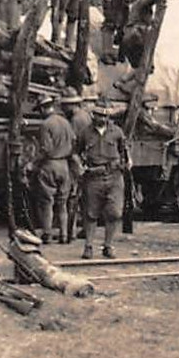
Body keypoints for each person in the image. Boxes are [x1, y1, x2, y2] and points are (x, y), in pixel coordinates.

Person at [77, 97, 131, 259]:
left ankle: (108, 246)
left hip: (114, 176)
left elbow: (124, 150)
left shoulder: (117, 132)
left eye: (105, 116)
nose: (102, 118)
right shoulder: (85, 133)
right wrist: (80, 166)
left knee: (114, 213)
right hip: (94, 176)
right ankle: (88, 247)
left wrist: (128, 162)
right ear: (94, 115)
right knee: (91, 213)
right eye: (99, 115)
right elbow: (76, 152)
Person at [31, 95, 75, 244]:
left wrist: (33, 163)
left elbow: (46, 149)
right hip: (64, 165)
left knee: (47, 202)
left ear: (44, 108)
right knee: (63, 203)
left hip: (50, 165)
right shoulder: (66, 123)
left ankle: (47, 234)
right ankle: (64, 235)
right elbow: (73, 141)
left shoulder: (45, 125)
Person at [62, 89, 92, 243]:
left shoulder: (75, 119)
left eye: (65, 105)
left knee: (73, 197)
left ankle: (70, 232)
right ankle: (86, 229)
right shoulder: (85, 115)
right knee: (86, 198)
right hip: (87, 158)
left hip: (78, 161)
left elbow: (72, 141)